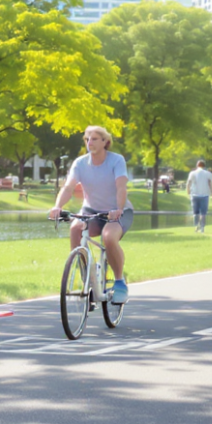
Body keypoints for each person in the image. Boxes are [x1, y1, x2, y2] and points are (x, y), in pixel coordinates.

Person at [48, 125, 134, 304]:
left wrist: (118, 209)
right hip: (91, 210)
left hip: (117, 211)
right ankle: (88, 279)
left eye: (94, 139)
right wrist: (57, 206)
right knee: (75, 230)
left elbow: (121, 187)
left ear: (105, 141)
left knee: (108, 237)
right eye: (87, 139)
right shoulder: (80, 163)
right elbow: (68, 187)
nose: (90, 143)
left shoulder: (116, 160)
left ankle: (119, 282)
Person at [185, 160, 212, 233]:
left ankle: (196, 226)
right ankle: (202, 227)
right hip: (204, 195)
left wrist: (188, 192)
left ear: (197, 165)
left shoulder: (192, 173)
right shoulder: (208, 174)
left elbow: (188, 183)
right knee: (203, 213)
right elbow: (211, 183)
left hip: (194, 195)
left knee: (195, 212)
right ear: (204, 166)